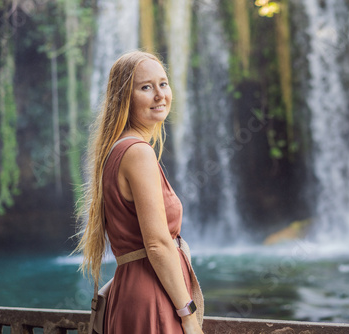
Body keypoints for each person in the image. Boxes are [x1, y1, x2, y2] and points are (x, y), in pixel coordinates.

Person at [74, 50, 204, 334]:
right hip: (154, 300)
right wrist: (188, 315)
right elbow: (157, 244)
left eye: (163, 84)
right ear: (124, 98)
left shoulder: (115, 151)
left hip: (130, 295)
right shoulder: (137, 153)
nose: (160, 95)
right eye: (146, 87)